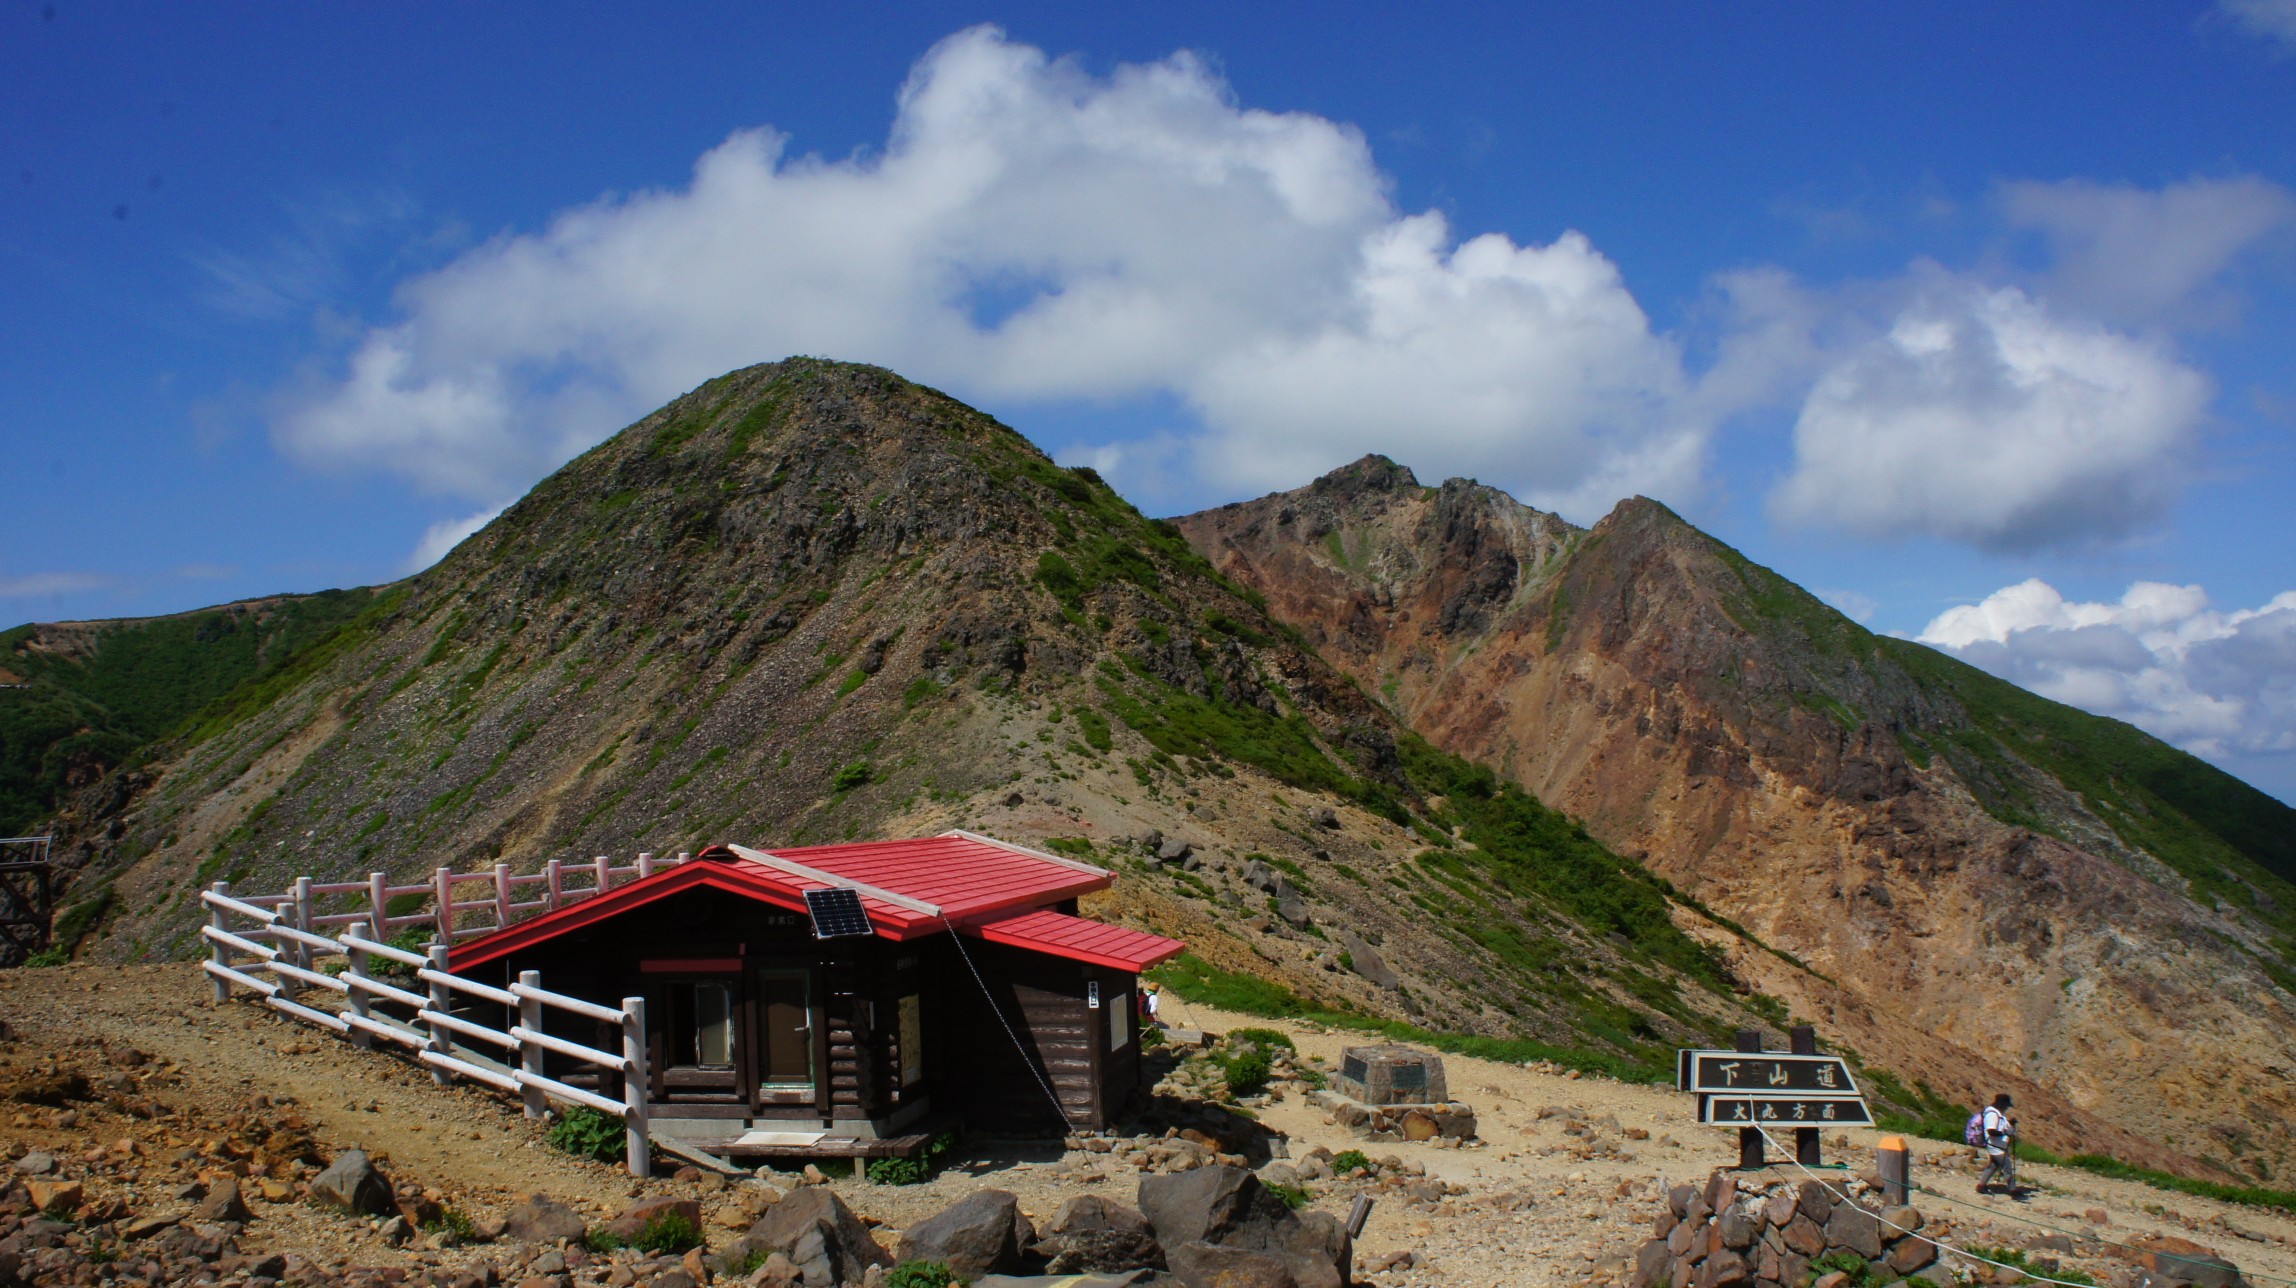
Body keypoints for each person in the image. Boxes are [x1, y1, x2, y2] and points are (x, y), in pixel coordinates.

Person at [1976, 1094, 2017, 1193]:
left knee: (1993, 1166)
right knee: (2007, 1167)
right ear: (2002, 1104)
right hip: (1996, 1147)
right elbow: (1991, 1131)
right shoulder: (1992, 1115)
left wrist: (2011, 1124)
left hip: (1997, 1146)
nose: (2007, 1108)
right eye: (2006, 1106)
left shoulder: (1997, 1114)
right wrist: (2005, 1133)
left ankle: (1981, 1186)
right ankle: (2013, 1190)